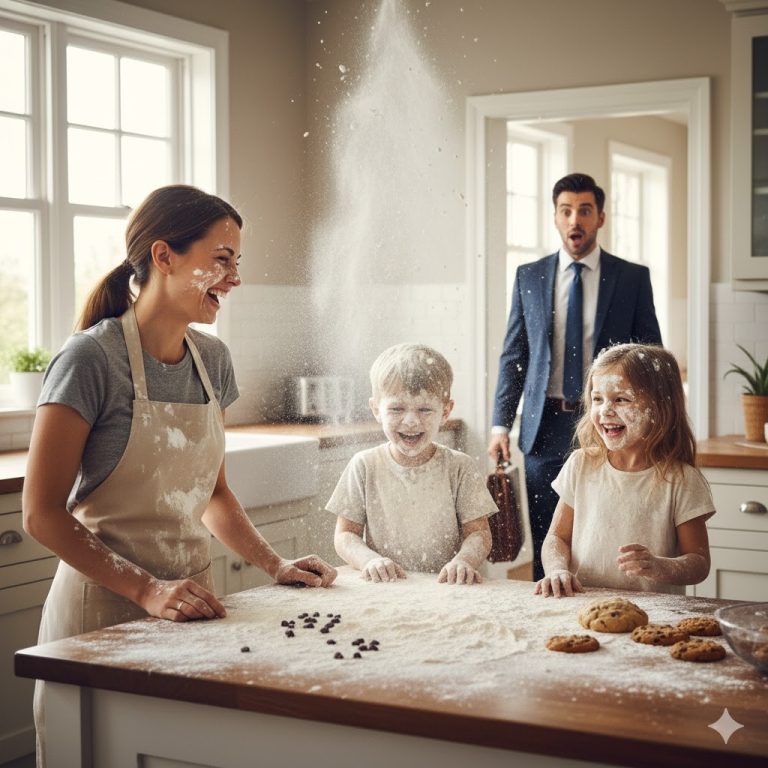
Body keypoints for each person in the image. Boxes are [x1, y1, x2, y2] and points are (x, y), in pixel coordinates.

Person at [23, 185, 337, 766]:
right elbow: (40, 513)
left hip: (192, 610)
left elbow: (213, 493)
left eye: (237, 262)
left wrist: (276, 564)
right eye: (221, 259)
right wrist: (146, 589)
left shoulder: (212, 360)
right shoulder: (91, 360)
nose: (234, 278)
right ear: (164, 256)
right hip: (103, 612)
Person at [487, 173, 663, 581]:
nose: (575, 220)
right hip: (543, 426)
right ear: (555, 217)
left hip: (610, 423)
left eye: (584, 210)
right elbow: (515, 355)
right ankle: (544, 619)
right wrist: (501, 423)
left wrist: (650, 420)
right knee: (548, 537)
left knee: (603, 533)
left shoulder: (632, 278)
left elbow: (649, 355)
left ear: (600, 217)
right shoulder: (528, 276)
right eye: (566, 211)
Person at [534, 343, 714, 597]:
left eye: (621, 399)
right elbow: (557, 539)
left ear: (660, 408)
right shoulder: (581, 465)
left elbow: (698, 562)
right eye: (597, 399)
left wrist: (660, 566)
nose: (605, 410)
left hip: (655, 614)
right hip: (584, 602)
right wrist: (556, 569)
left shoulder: (681, 479)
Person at [328, 343, 497, 584]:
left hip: (447, 588)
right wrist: (369, 560)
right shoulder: (364, 465)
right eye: (396, 408)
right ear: (376, 409)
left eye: (425, 409)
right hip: (387, 588)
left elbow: (479, 534)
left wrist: (464, 561)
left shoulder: (460, 468)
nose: (410, 421)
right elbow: (345, 535)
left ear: (446, 411)